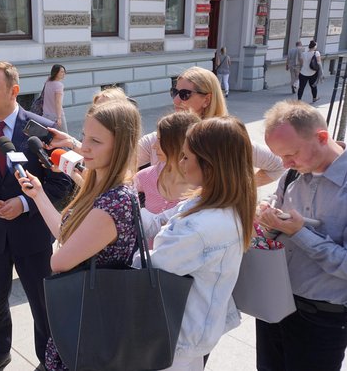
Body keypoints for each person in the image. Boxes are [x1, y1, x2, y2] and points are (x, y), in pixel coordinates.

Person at [0, 61, 72, 371]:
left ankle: (47, 360)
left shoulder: (40, 130)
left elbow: (61, 182)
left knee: (42, 305)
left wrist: (24, 203)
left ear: (14, 91)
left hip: (32, 236)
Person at [16, 99, 142, 370]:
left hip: (93, 321)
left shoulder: (113, 201)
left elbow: (59, 261)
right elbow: (66, 232)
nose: (84, 147)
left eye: (95, 141)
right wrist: (38, 194)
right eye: (84, 136)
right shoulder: (103, 185)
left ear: (120, 145)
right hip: (88, 312)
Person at [139, 116, 257, 370]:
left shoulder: (201, 226)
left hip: (177, 337)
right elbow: (156, 221)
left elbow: (150, 268)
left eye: (185, 157)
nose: (180, 164)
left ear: (210, 165)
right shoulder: (217, 204)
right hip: (191, 330)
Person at [256, 100, 347, 371]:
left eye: (291, 154)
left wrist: (300, 233)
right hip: (275, 303)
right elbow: (277, 203)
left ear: (321, 137)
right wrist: (266, 216)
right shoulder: (293, 174)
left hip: (322, 317)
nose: (285, 163)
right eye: (280, 156)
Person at [136, 66, 285, 186]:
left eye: (184, 94)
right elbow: (124, 163)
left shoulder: (226, 138)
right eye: (174, 92)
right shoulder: (158, 139)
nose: (176, 100)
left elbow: (278, 165)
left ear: (206, 99)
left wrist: (236, 189)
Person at [133, 111, 200, 247]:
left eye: (159, 140)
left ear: (179, 144)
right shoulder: (147, 176)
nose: (154, 146)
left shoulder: (202, 188)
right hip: (148, 264)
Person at [42, 64, 68, 132]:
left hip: (46, 115)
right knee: (65, 137)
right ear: (56, 73)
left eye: (64, 71)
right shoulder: (59, 85)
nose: (64, 73)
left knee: (50, 137)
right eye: (61, 72)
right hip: (55, 116)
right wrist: (59, 118)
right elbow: (58, 102)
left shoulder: (47, 83)